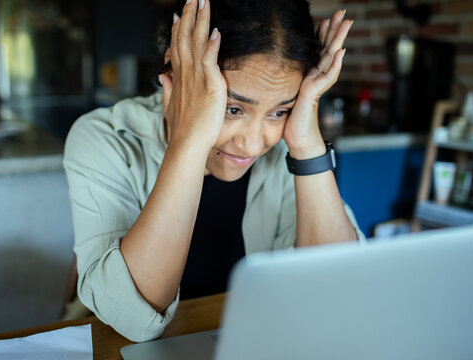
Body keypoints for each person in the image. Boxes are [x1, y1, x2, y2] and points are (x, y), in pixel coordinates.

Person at [63, 0, 364, 342]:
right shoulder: (106, 138)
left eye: (280, 111)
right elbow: (132, 320)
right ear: (177, 73)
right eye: (233, 108)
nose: (253, 145)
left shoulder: (285, 147)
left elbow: (335, 292)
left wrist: (308, 147)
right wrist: (189, 140)